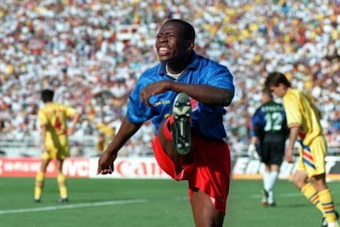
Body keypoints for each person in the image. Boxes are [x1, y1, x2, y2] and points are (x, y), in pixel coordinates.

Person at [97, 19, 235, 227]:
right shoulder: (148, 79)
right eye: (159, 36)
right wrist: (111, 151)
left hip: (209, 151)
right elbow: (133, 119)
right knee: (172, 123)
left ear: (189, 44)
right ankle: (179, 127)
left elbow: (224, 96)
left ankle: (181, 125)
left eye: (169, 36)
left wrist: (172, 86)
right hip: (169, 146)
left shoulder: (212, 71)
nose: (162, 40)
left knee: (210, 225)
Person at [264, 72, 339, 227]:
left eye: (273, 90)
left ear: (281, 85)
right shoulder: (300, 94)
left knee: (318, 182)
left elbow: (295, 124)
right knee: (298, 180)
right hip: (309, 142)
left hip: (311, 142)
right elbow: (317, 112)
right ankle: (328, 213)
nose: (274, 94)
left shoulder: (289, 98)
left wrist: (289, 148)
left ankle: (333, 223)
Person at [34, 89, 81, 203]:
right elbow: (77, 114)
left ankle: (37, 196)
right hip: (63, 140)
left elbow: (44, 126)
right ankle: (64, 195)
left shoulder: (43, 110)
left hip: (51, 142)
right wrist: (72, 127)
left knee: (42, 168)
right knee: (59, 169)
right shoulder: (62, 107)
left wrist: (43, 142)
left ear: (42, 98)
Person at [248, 88, 288, 207]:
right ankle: (270, 196)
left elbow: (256, 125)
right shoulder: (281, 108)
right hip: (279, 138)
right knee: (275, 166)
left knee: (267, 166)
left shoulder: (261, 109)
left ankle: (267, 191)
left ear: (266, 97)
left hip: (265, 139)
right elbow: (287, 123)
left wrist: (253, 142)